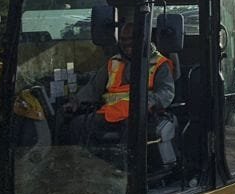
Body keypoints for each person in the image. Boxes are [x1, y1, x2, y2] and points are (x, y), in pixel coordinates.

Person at [69, 16, 178, 164]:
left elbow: (166, 91)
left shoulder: (159, 63)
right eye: (123, 39)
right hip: (110, 113)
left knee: (132, 131)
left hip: (141, 115)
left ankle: (125, 171)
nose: (127, 43)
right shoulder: (114, 61)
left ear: (144, 38)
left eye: (132, 38)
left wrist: (149, 102)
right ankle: (86, 166)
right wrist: (76, 101)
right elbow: (93, 88)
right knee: (78, 124)